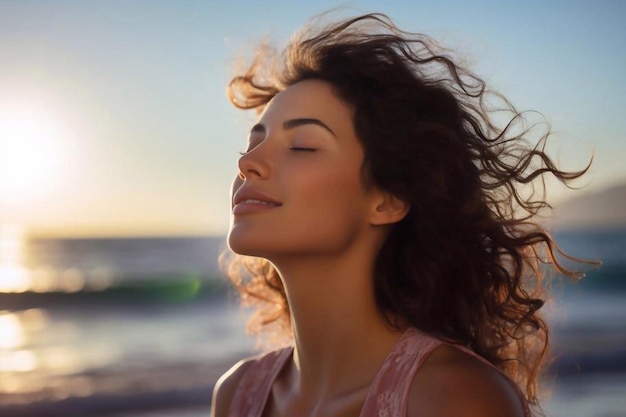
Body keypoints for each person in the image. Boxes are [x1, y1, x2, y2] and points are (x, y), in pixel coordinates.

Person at [211, 12, 591, 417]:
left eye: (302, 145)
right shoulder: (237, 395)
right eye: (254, 143)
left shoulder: (455, 399)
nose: (249, 163)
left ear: (388, 201)